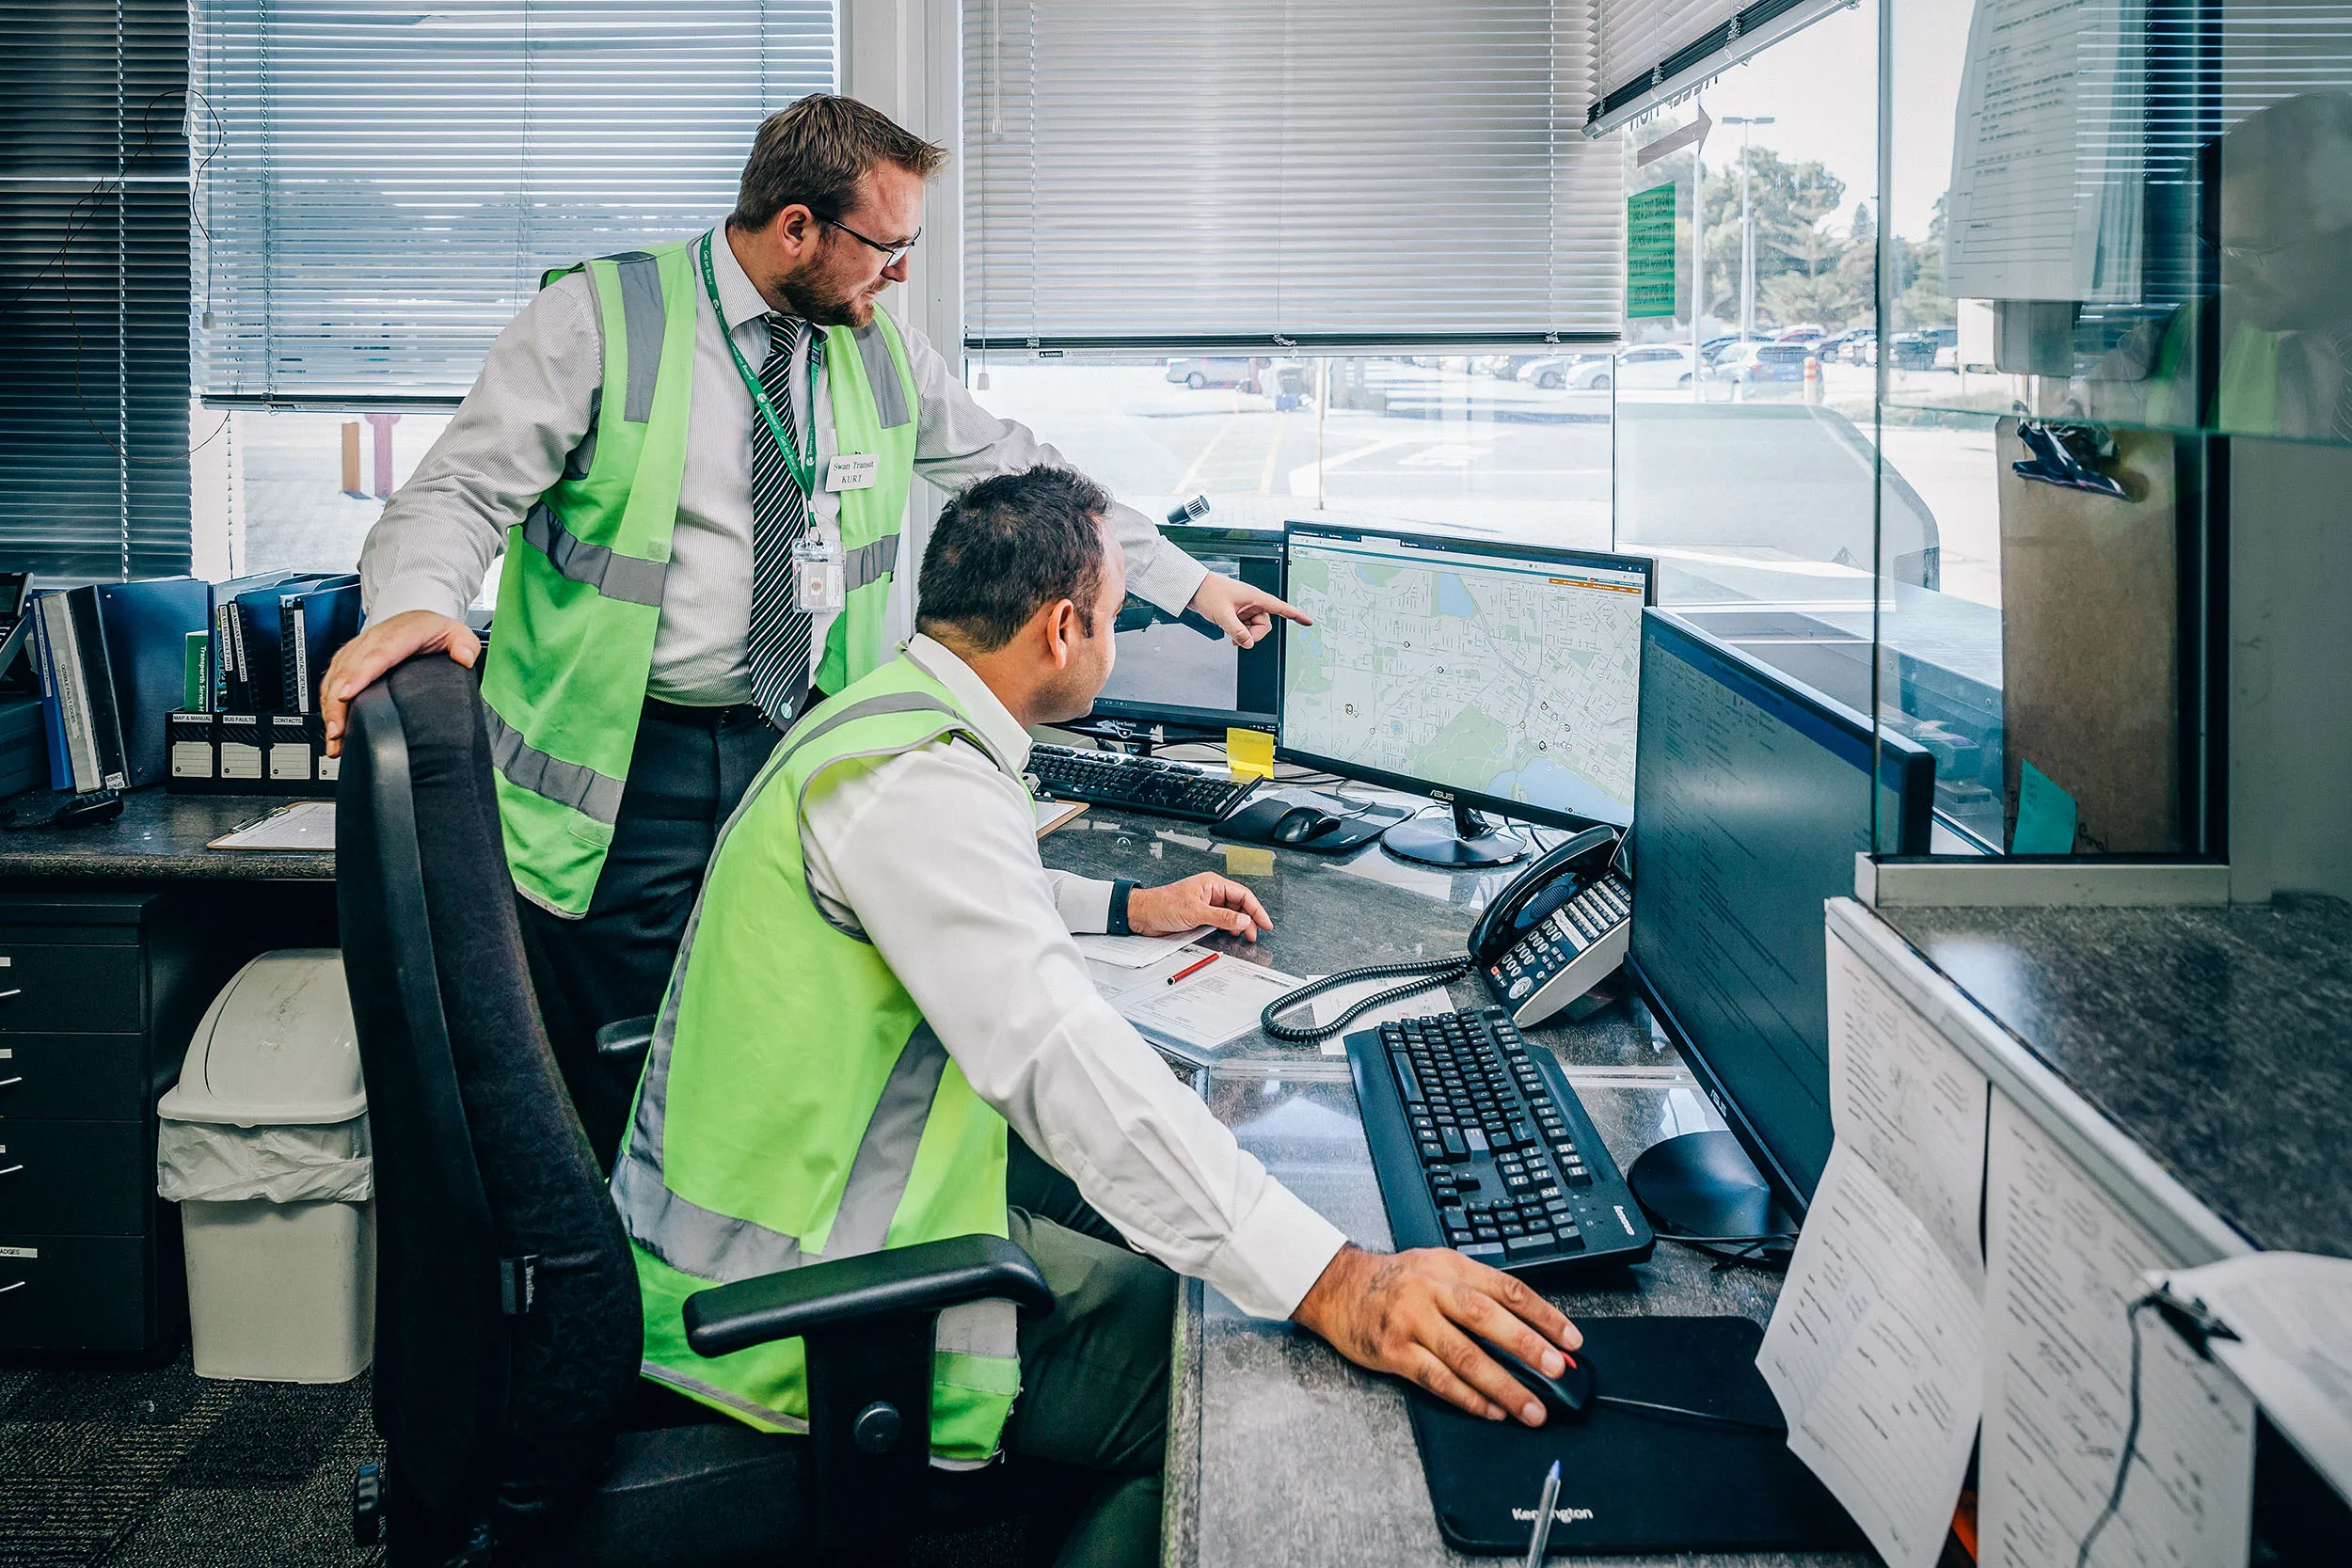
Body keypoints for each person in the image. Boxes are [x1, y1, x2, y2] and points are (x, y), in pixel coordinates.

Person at [615, 467, 1583, 1567]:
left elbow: (958, 894)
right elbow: (1054, 1055)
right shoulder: (918, 782)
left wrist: (1129, 905)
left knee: (1181, 1230)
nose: (1118, 640)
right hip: (798, 1293)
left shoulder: (889, 720)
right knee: (1231, 1377)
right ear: (1063, 628)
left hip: (800, 1188)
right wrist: (1336, 1278)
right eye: (1119, 616)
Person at [323, 95, 1298, 1159]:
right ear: (796, 227)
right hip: (618, 772)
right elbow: (455, 494)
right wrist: (415, 605)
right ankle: (628, 1308)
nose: (901, 273)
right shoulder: (601, 321)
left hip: (792, 748)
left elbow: (1028, 471)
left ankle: (765, 1279)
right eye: (887, 245)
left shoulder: (878, 350)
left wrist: (1191, 584)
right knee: (624, 1089)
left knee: (786, 1038)